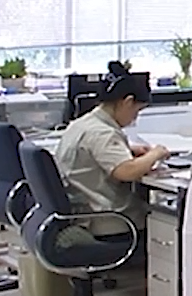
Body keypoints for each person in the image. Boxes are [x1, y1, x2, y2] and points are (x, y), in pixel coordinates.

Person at [54, 62, 167, 240]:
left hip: (83, 214)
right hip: (110, 224)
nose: (135, 118)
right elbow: (127, 171)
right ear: (127, 102)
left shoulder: (82, 124)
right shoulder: (103, 132)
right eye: (137, 111)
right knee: (171, 222)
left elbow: (90, 153)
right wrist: (156, 153)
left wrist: (127, 150)